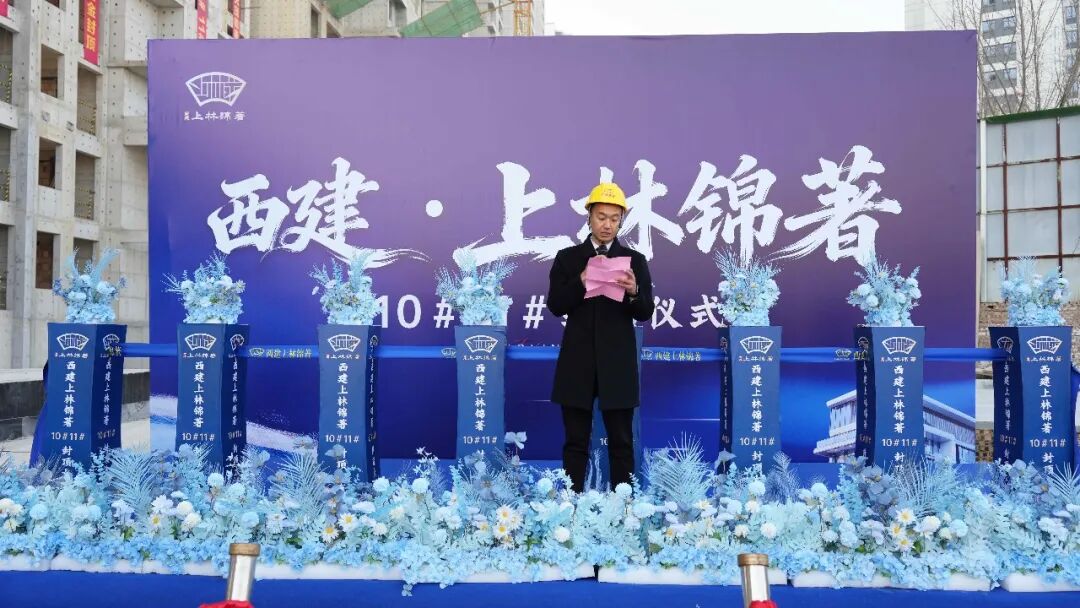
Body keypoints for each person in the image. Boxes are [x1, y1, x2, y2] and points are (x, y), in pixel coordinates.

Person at [546, 182, 654, 492]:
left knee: (622, 441)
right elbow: (555, 305)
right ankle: (571, 506)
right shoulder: (568, 258)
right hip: (577, 362)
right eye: (601, 217)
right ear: (589, 217)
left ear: (621, 221)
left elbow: (645, 312)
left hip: (617, 363)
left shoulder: (634, 261)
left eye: (614, 219)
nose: (607, 225)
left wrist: (634, 291)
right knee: (575, 441)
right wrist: (580, 280)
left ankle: (624, 507)